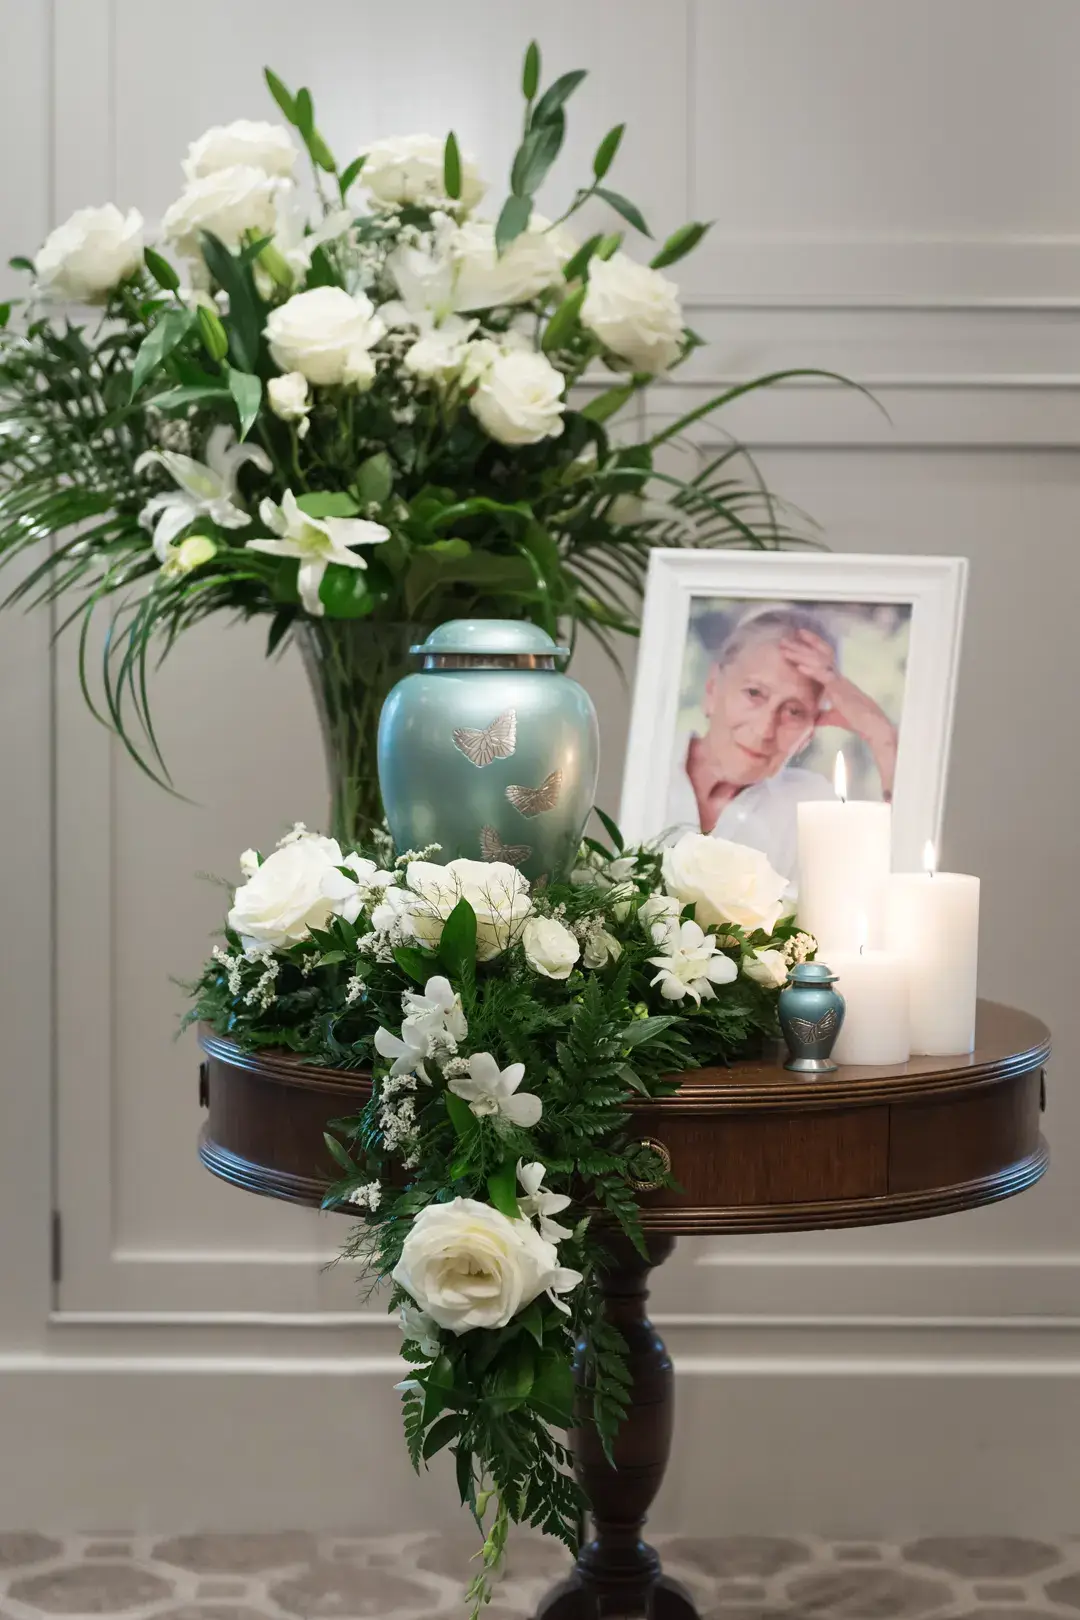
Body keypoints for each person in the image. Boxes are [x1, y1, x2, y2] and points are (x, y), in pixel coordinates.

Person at [665, 605, 899, 883]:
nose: (765, 729)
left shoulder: (812, 806)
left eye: (794, 711)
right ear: (713, 686)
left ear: (809, 733)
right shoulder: (645, 766)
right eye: (754, 693)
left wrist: (881, 736)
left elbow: (894, 880)